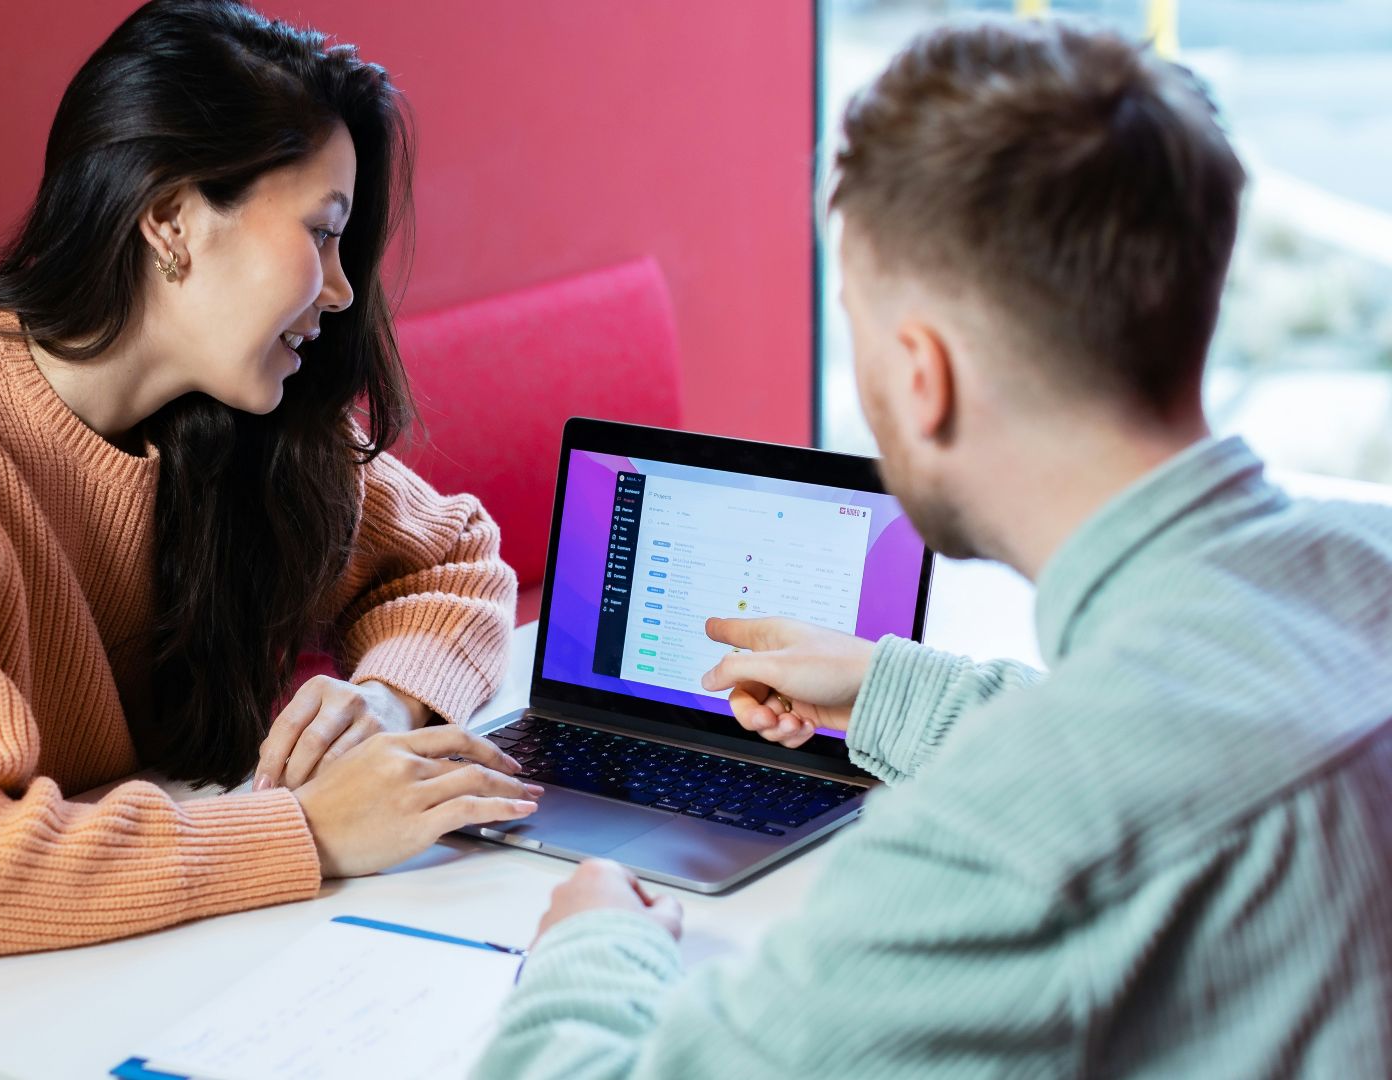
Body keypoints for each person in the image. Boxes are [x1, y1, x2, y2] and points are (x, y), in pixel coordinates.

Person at [476, 17, 1392, 1079]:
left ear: (923, 375)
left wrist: (592, 942)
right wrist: (888, 687)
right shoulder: (1358, 566)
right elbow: (1184, 720)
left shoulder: (1005, 841)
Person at [0, 1, 541, 1075]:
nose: (341, 293)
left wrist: (378, 707)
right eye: (323, 232)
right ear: (170, 221)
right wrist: (310, 831)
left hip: (110, 963)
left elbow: (453, 561)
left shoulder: (241, 421)